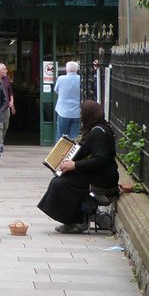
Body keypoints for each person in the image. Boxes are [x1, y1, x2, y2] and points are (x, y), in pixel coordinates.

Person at [37, 99, 119, 233]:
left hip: (104, 178)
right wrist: (64, 160)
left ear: (89, 114)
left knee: (62, 184)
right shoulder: (94, 129)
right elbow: (84, 150)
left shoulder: (98, 132)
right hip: (98, 173)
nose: (80, 116)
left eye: (82, 113)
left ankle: (79, 220)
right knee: (60, 179)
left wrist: (75, 165)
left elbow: (101, 159)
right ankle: (73, 219)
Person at [0, 62, 15, 166]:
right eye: (4, 69)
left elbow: (10, 91)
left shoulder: (6, 79)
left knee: (5, 126)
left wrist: (12, 102)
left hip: (6, 108)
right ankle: (0, 145)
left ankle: (1, 142)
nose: (6, 71)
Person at [54, 61, 82, 141]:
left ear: (66, 69)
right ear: (77, 70)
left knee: (61, 136)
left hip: (63, 111)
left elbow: (56, 90)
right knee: (74, 137)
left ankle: (60, 149)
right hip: (77, 111)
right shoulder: (80, 79)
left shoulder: (60, 79)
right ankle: (72, 149)